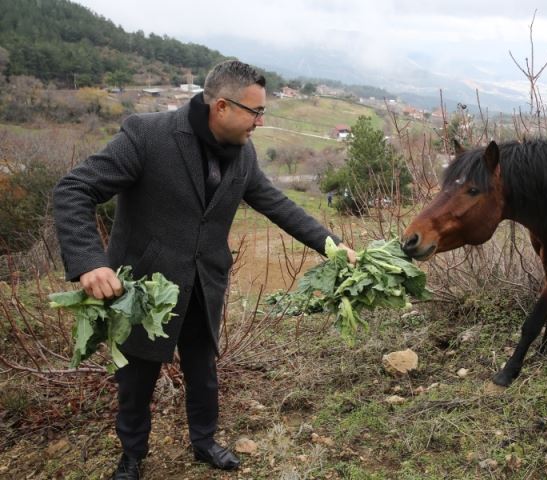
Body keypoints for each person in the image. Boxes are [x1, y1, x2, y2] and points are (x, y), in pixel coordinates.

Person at [52, 60, 355, 480]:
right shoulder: (147, 135)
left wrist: (332, 246)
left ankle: (204, 441)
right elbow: (75, 189)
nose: (260, 122)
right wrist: (89, 262)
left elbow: (277, 204)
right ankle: (133, 454)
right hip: (145, 286)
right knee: (137, 379)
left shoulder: (244, 155)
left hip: (203, 283)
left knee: (203, 369)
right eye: (255, 112)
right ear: (222, 108)